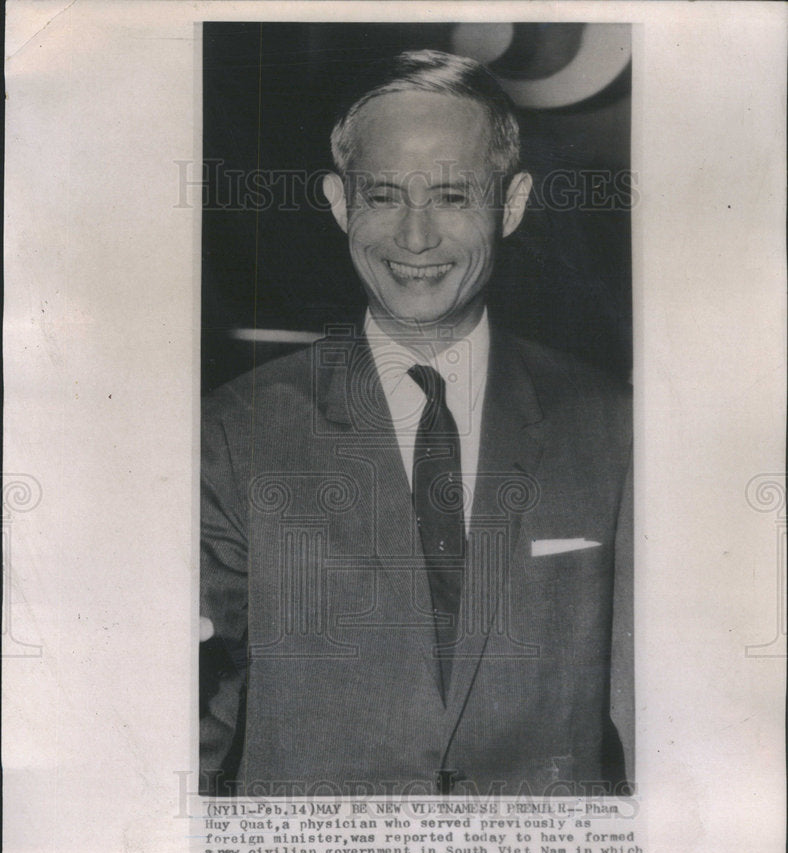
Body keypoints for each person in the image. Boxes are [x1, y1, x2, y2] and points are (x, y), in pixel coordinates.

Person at [200, 49, 633, 798]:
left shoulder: (615, 429)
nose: (416, 237)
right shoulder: (235, 434)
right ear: (341, 203)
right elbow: (187, 716)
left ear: (513, 201)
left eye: (455, 196)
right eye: (385, 194)